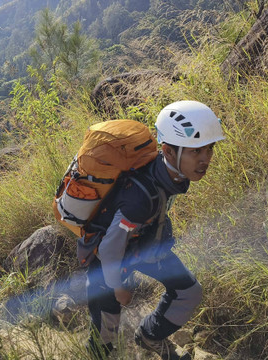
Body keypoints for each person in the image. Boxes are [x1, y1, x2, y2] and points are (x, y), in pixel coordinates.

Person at [85, 101, 225, 360]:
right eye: (196, 151)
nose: (205, 159)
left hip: (143, 244)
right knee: (105, 335)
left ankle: (150, 337)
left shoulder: (172, 173)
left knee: (188, 292)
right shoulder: (140, 197)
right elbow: (109, 249)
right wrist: (118, 288)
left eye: (209, 149)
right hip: (106, 260)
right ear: (168, 152)